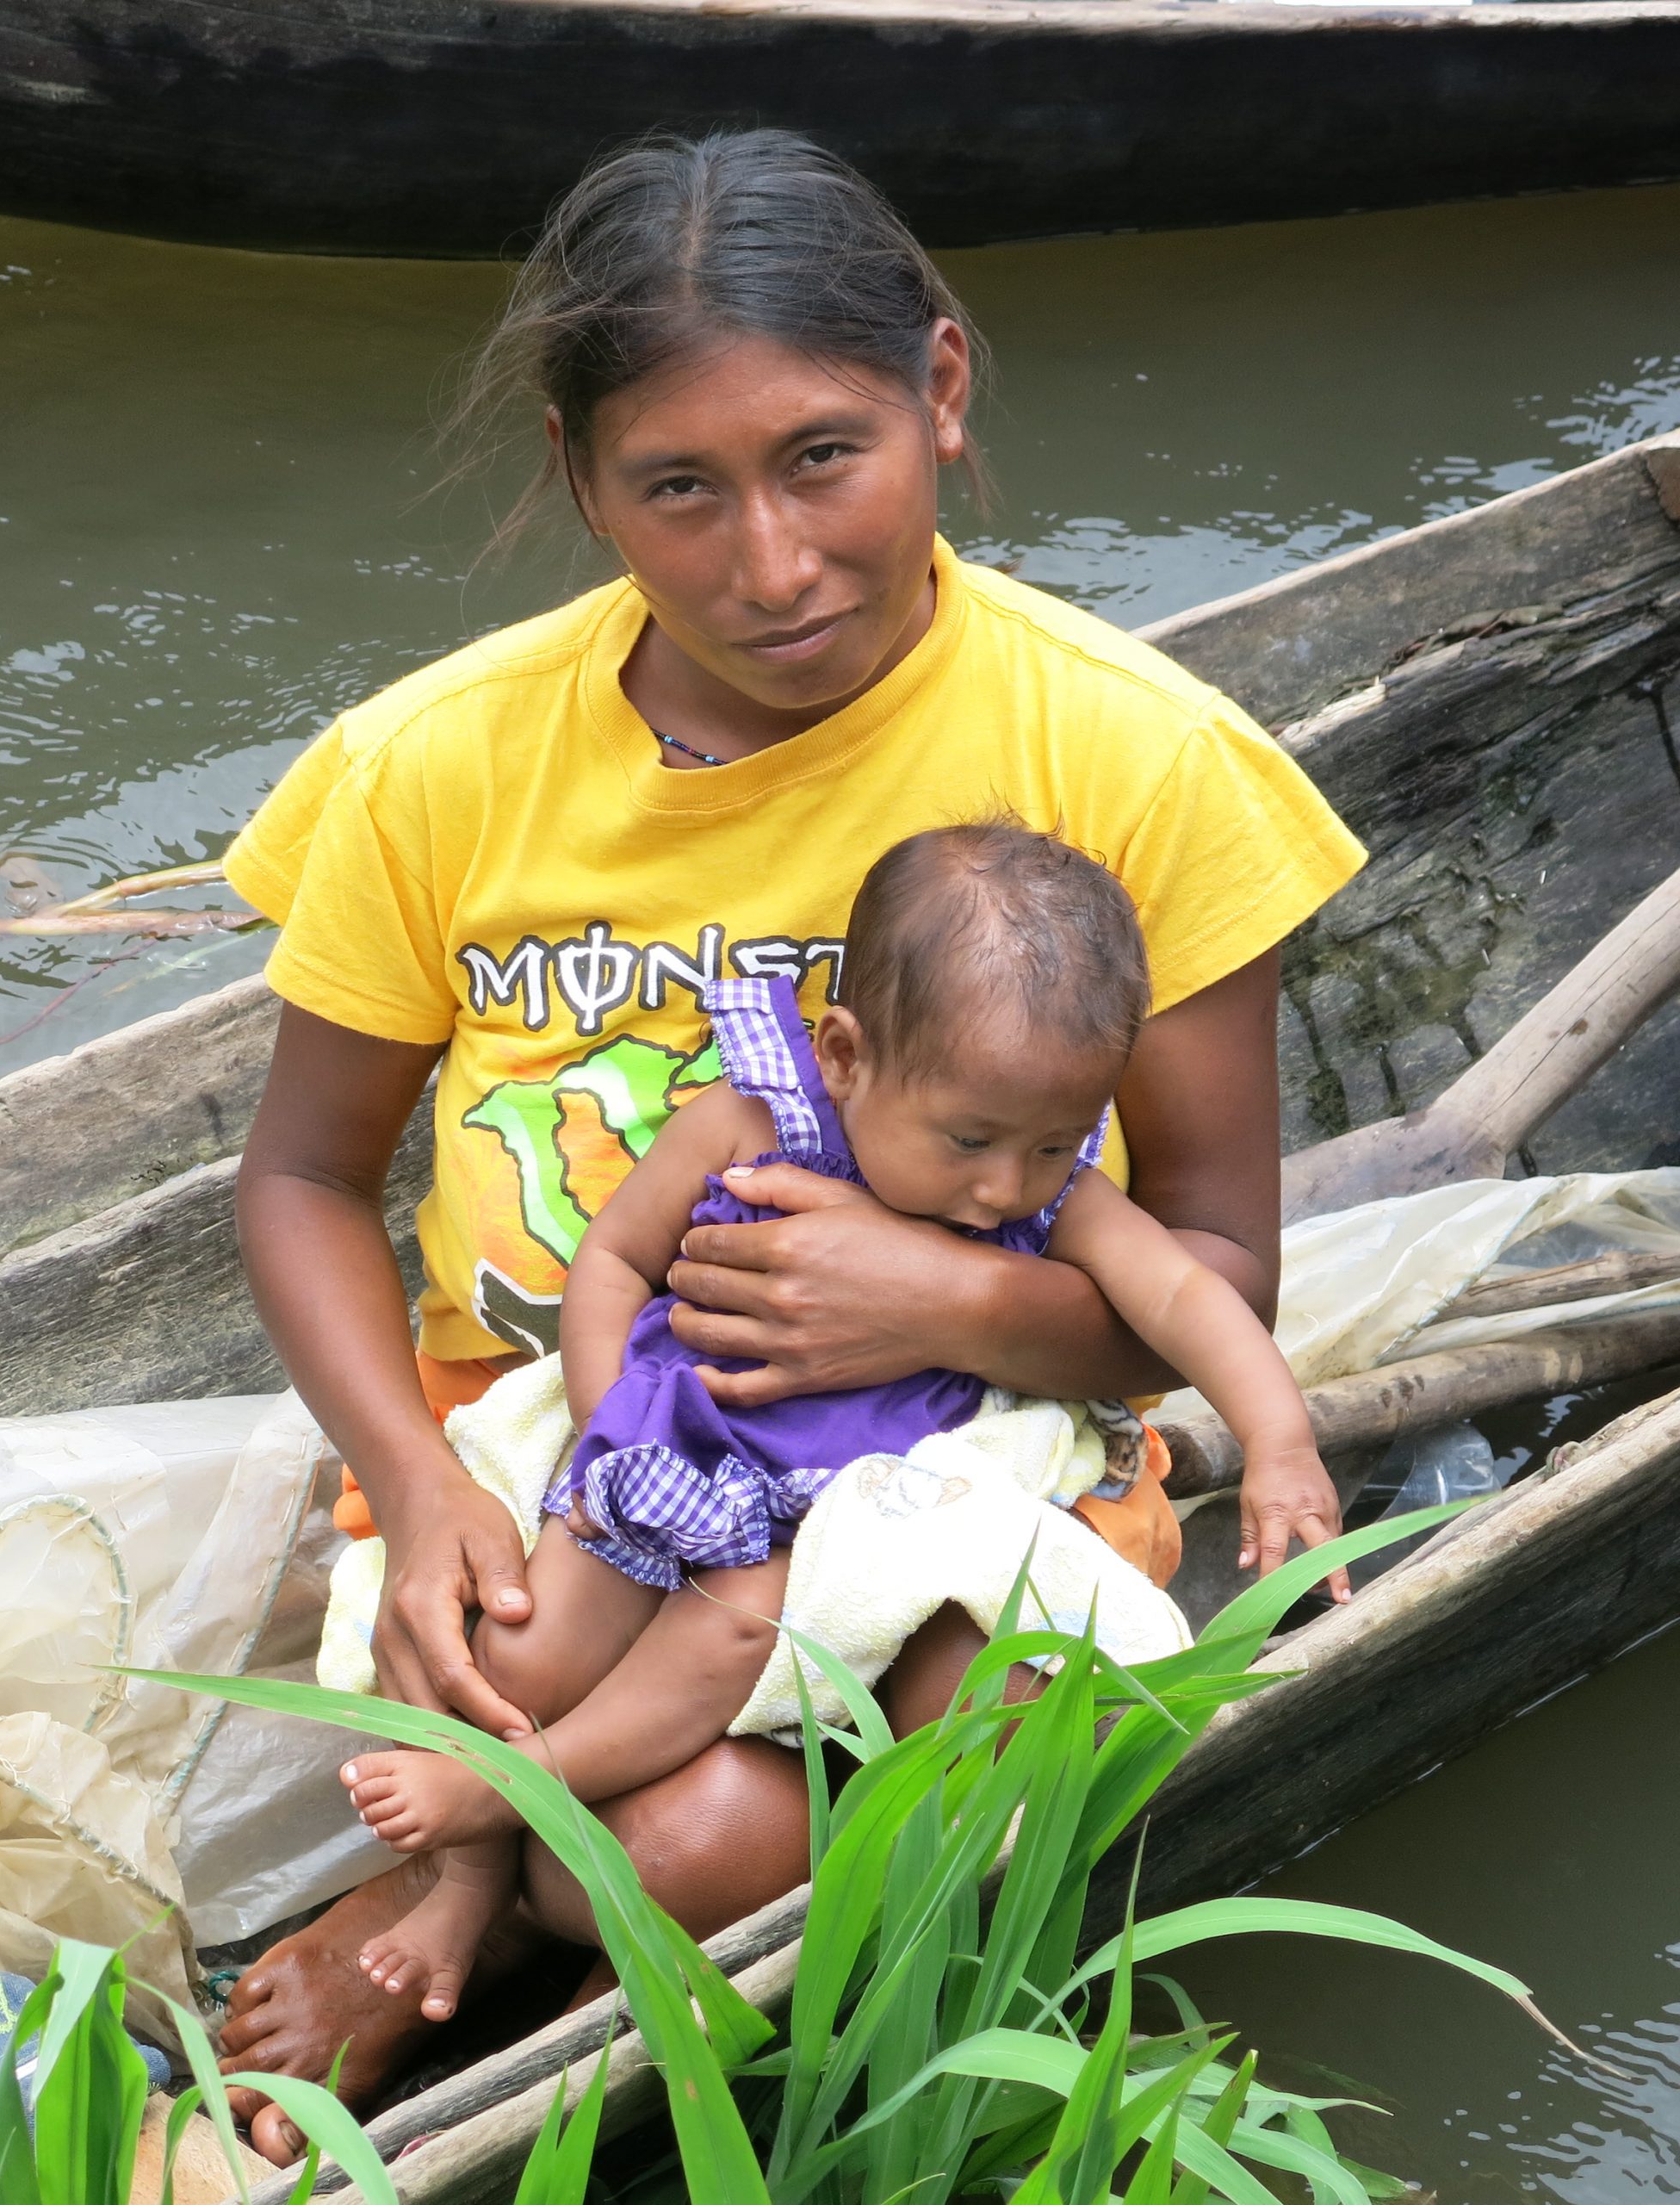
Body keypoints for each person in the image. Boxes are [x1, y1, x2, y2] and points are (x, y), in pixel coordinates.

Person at [218, 126, 1365, 2159]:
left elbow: (1205, 1266)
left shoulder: (1134, 757)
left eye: (821, 454)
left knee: (921, 1766)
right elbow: (302, 1175)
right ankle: (510, 1900)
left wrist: (929, 1296)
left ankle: (533, 1931)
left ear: (935, 393)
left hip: (958, 1449)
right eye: (678, 486)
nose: (769, 562)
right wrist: (417, 1479)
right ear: (584, 485)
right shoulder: (433, 765)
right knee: (651, 1834)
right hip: (568, 1449)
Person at [335, 823, 1348, 2024]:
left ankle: (517, 1796)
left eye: (1052, 1143)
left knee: (725, 1633)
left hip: (827, 1521)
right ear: (846, 1053)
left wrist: (1280, 1442)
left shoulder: (1050, 1199)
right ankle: (466, 1887)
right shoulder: (751, 1123)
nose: (1003, 1188)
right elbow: (612, 1258)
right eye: (970, 1141)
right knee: (520, 1657)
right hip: (674, 1450)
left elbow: (1189, 1294)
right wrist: (616, 1425)